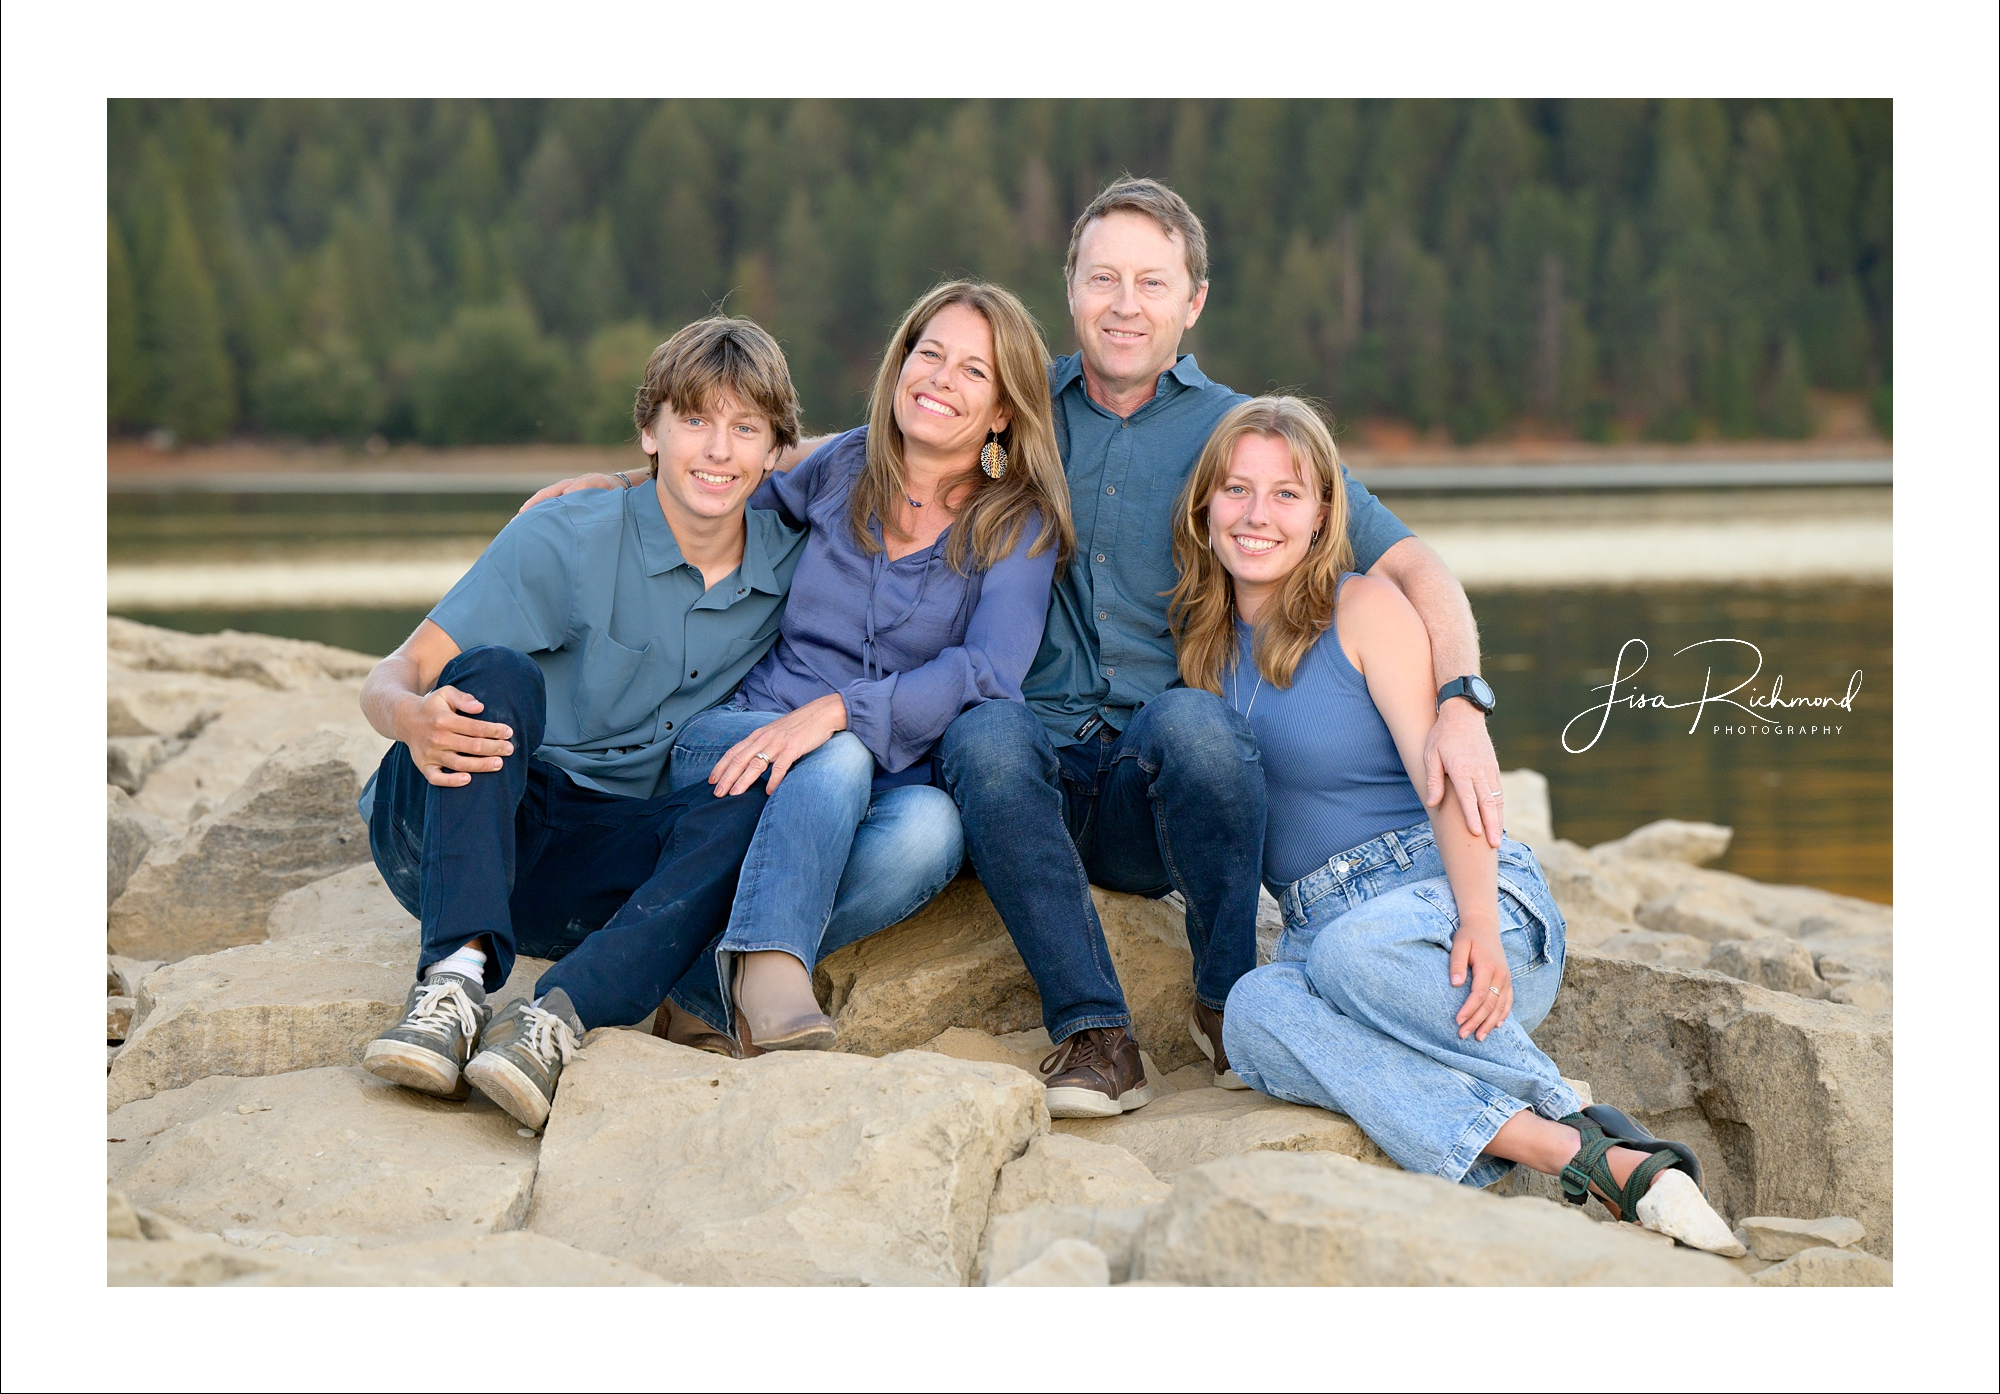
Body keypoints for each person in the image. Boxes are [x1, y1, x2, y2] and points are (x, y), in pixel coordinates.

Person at [523, 178, 1506, 1120]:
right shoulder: (1021, 409)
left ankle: (1220, 997)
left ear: (1192, 302)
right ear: (1070, 288)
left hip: (1148, 786)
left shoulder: (1235, 440)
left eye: (1151, 282)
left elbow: (1414, 565)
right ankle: (1096, 1033)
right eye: (1101, 278)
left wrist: (1458, 696)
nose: (1123, 305)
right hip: (1011, 778)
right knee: (987, 732)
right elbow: (841, 447)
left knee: (1193, 722)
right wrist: (629, 480)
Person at [1175, 395, 1727, 1241]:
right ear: (1203, 505)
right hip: (1321, 934)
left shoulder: (1361, 608)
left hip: (1452, 906)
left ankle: (1545, 1109)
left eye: (1287, 494)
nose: (1257, 516)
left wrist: (1474, 914)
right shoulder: (1202, 648)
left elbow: (1450, 778)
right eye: (1237, 491)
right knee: (1252, 1012)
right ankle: (1570, 1146)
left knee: (1358, 951)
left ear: (1326, 514)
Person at [355, 316, 811, 1131]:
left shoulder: (790, 561)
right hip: (459, 821)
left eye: (746, 428)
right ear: (651, 429)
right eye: (694, 421)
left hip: (589, 865)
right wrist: (410, 719)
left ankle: (556, 1016)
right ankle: (453, 983)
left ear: (777, 448)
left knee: (760, 784)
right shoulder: (565, 534)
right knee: (494, 673)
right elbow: (393, 673)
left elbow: (892, 444)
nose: (718, 450)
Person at [650, 279, 1072, 1055]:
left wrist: (842, 710)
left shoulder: (1019, 522)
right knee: (834, 754)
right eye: (930, 353)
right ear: (901, 361)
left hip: (883, 772)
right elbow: (718, 493)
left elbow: (987, 671)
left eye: (973, 371)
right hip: (738, 742)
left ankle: (693, 985)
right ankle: (772, 978)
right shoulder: (841, 464)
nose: (941, 378)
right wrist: (606, 488)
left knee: (933, 829)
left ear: (1004, 412)